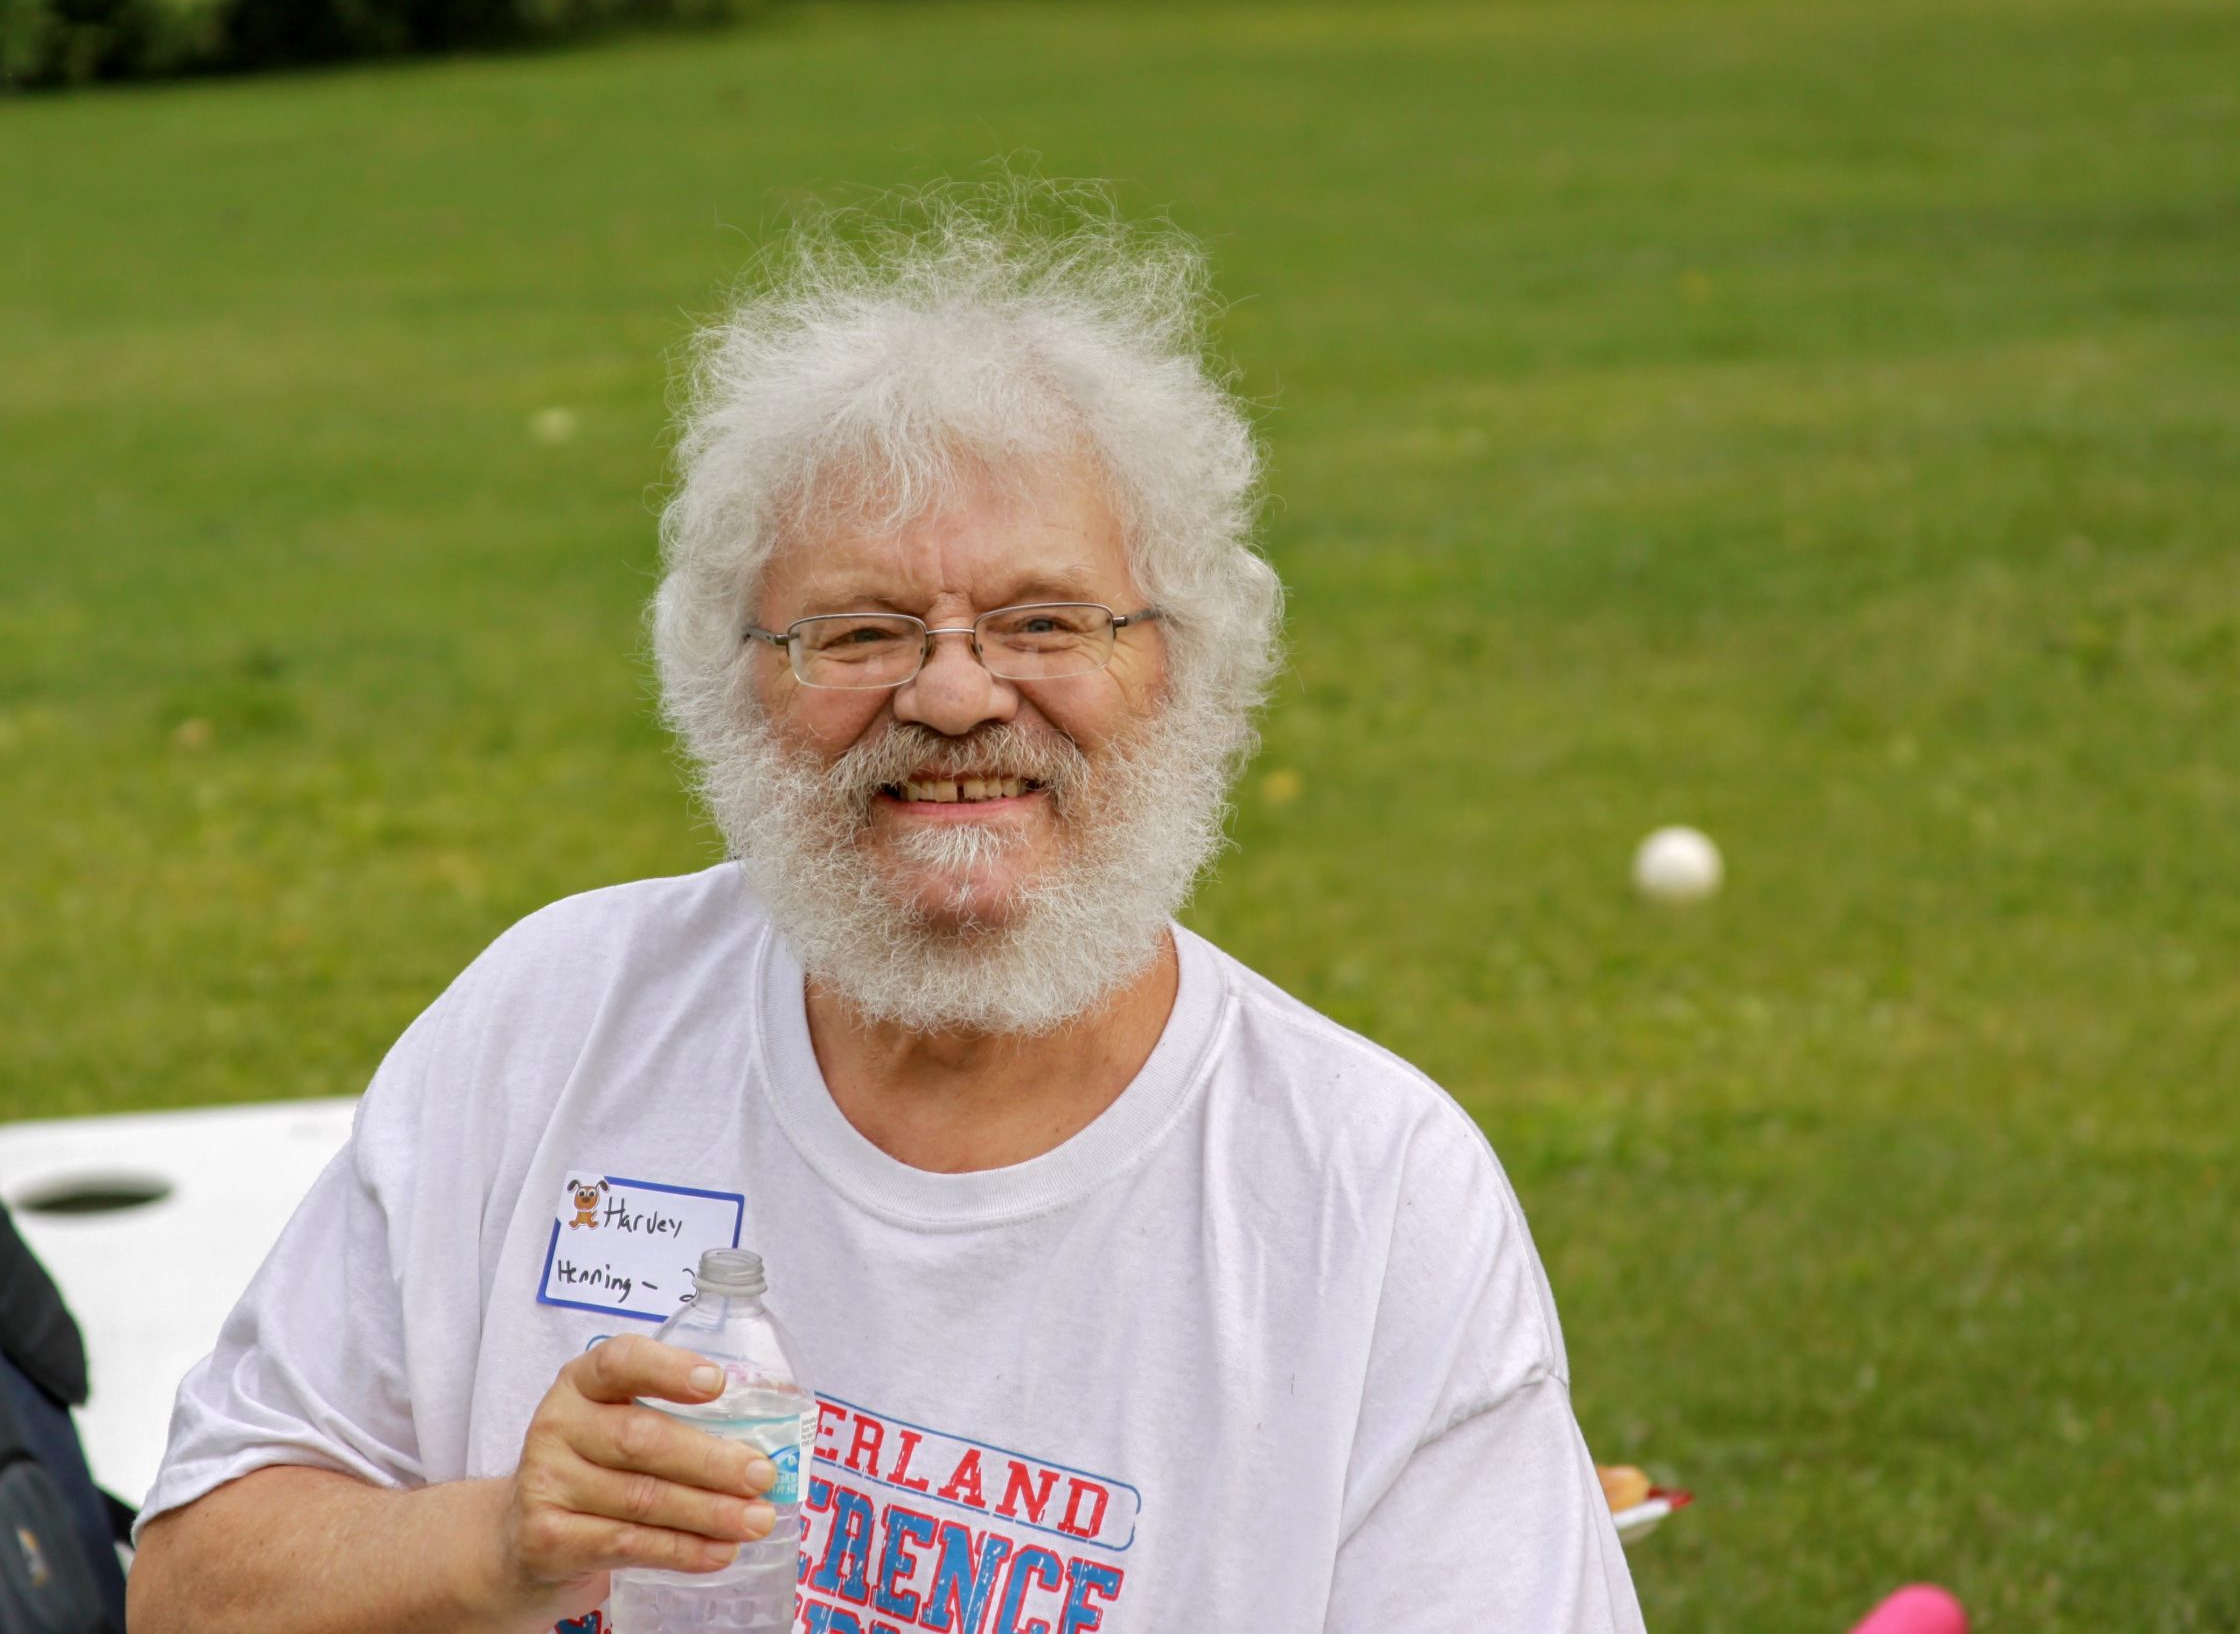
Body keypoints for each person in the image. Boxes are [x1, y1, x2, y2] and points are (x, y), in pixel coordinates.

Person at [126, 188, 1646, 1634]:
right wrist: (507, 1541)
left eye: (1047, 622)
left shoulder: (1366, 1195)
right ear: (733, 684)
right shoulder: (556, 1019)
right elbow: (186, 1592)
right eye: (857, 631)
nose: (955, 693)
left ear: (1184, 666)